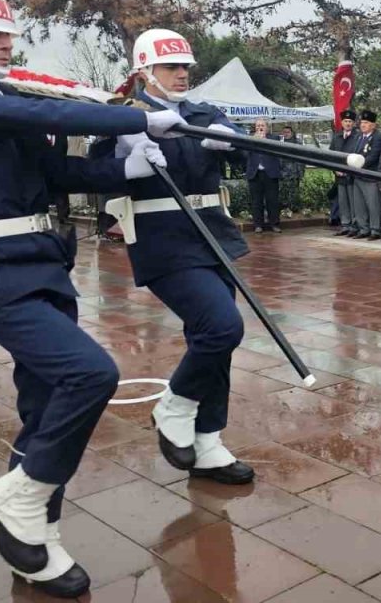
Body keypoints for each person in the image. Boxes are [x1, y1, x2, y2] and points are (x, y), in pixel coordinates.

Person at [0, 0, 183, 598]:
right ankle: (18, 500)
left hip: (42, 261)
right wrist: (136, 115)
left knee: (42, 406)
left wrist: (128, 168)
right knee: (88, 374)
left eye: (9, 32)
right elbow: (44, 114)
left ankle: (36, 537)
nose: (7, 43)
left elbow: (59, 173)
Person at [109, 28, 258, 491]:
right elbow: (96, 165)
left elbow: (239, 151)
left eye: (185, 67)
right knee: (222, 327)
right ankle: (174, 405)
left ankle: (208, 440)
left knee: (212, 340)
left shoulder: (203, 112)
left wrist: (229, 141)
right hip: (164, 239)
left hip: (213, 233)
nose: (180, 74)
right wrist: (123, 145)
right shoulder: (123, 113)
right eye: (171, 66)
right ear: (144, 70)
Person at [350, 111, 381, 239]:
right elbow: (353, 153)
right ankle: (363, 228)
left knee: (373, 204)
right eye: (362, 122)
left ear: (373, 125)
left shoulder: (377, 137)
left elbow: (374, 156)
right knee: (359, 205)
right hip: (357, 175)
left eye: (366, 123)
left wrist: (357, 164)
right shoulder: (358, 136)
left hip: (370, 176)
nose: (363, 125)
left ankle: (375, 229)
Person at [245, 118, 282, 233]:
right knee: (256, 201)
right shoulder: (249, 139)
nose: (259, 128)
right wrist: (254, 140)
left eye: (262, 125)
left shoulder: (274, 138)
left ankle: (274, 224)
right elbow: (245, 153)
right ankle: (258, 225)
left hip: (270, 173)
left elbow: (277, 151)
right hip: (255, 174)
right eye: (257, 126)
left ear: (267, 127)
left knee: (272, 200)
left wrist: (264, 139)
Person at [330, 110, 359, 235]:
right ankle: (345, 225)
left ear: (353, 123)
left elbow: (359, 156)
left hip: (352, 175)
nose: (347, 123)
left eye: (350, 121)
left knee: (353, 202)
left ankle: (354, 226)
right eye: (345, 121)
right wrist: (335, 169)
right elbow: (330, 156)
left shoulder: (357, 137)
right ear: (342, 123)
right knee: (342, 202)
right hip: (339, 175)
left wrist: (349, 169)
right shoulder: (336, 137)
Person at [278, 125, 305, 215]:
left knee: (294, 192)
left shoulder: (298, 143)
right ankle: (283, 208)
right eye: (284, 132)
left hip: (294, 172)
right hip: (282, 172)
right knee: (282, 192)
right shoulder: (279, 142)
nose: (286, 134)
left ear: (292, 133)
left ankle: (294, 208)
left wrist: (301, 173)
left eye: (288, 132)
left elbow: (302, 159)